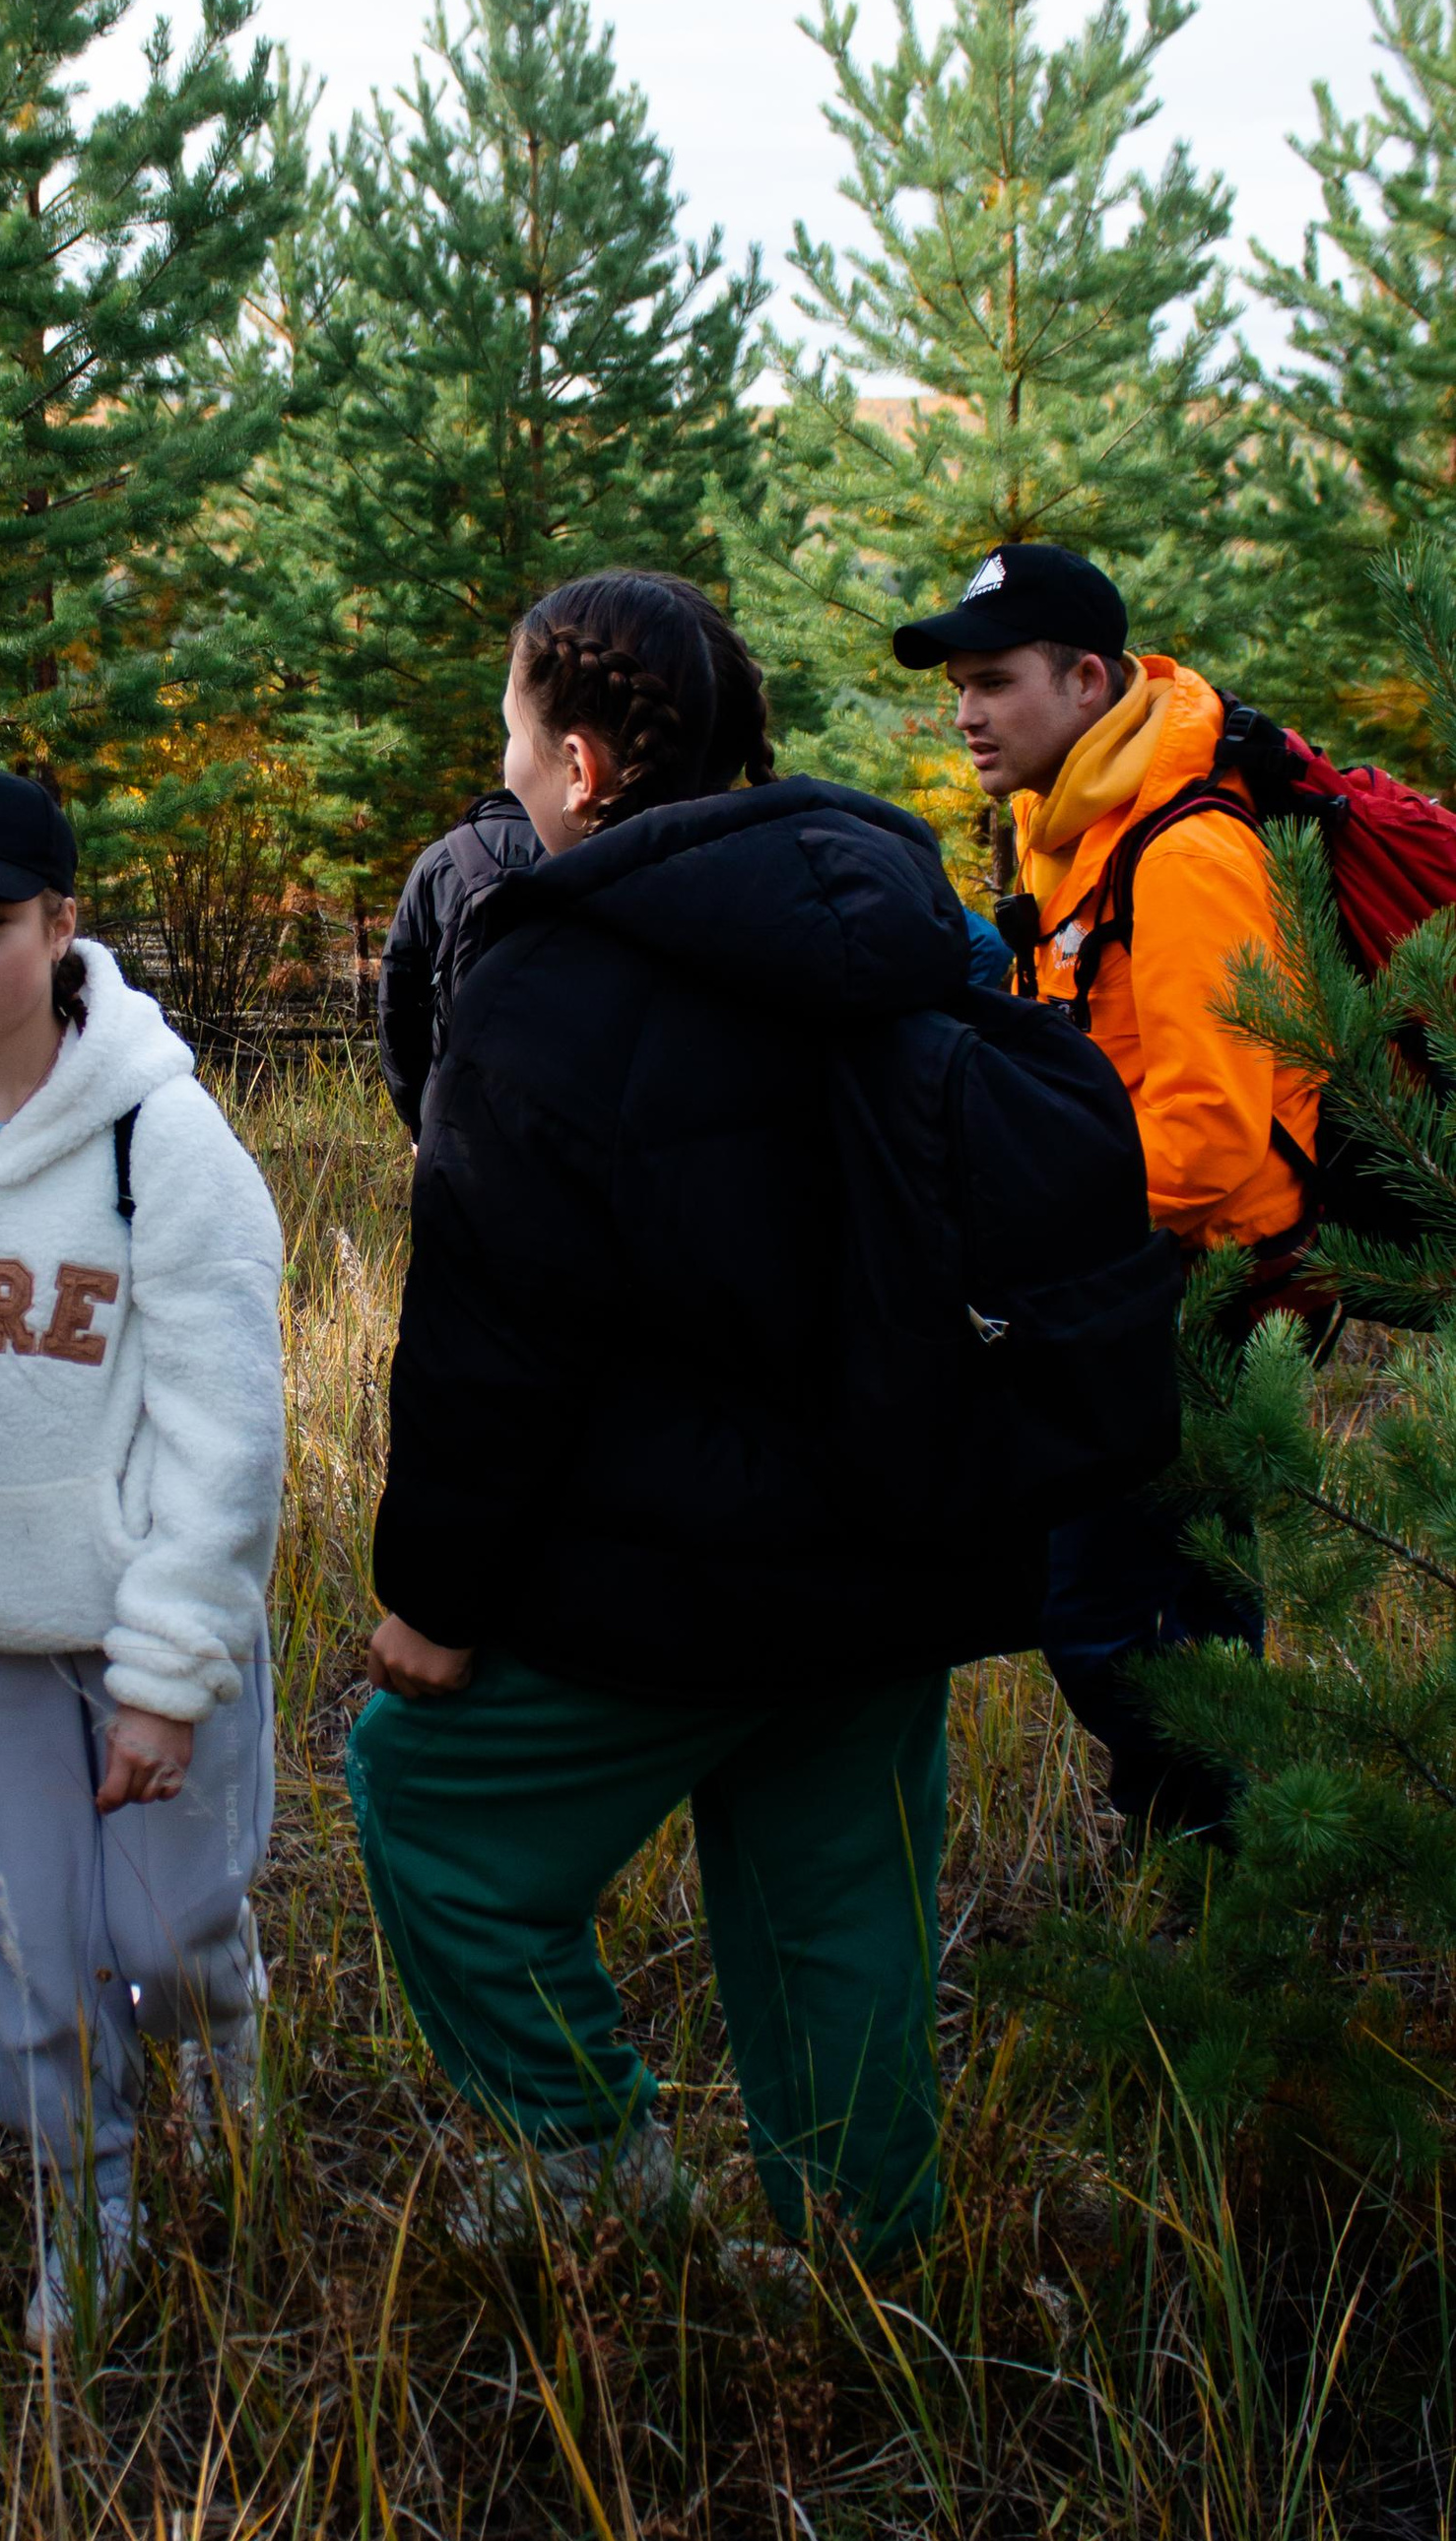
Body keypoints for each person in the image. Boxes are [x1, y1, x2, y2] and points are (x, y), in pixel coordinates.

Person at [346, 571, 1045, 2274]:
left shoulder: (545, 974)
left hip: (673, 1577)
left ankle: (591, 2161)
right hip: (898, 1542)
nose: (500, 768)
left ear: (582, 765)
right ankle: (865, 2270)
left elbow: (488, 1343)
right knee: (839, 1910)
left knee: (425, 1801)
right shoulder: (897, 917)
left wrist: (431, 1600)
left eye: (511, 731)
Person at [0, 768, 285, 2349]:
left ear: (63, 925)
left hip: (151, 1619)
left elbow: (229, 1434)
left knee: (163, 1933)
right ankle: (83, 2212)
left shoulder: (167, 1135)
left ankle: (229, 2073)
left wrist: (165, 1673)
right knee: (23, 1957)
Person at [891, 543, 1316, 1833]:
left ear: (1087, 679)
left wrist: (1030, 1230)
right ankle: (1204, 1850)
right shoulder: (1073, 828)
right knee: (1156, 1608)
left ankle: (1224, 1851)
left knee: (1114, 1615)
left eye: (995, 681)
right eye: (958, 685)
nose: (966, 713)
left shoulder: (1183, 854)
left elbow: (1210, 1135)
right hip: (1129, 1285)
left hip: (1193, 1298)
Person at [376, 788, 544, 1138]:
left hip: (453, 1107)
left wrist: (417, 1115)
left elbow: (395, 1000)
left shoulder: (437, 861)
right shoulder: (579, 853)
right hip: (557, 1106)